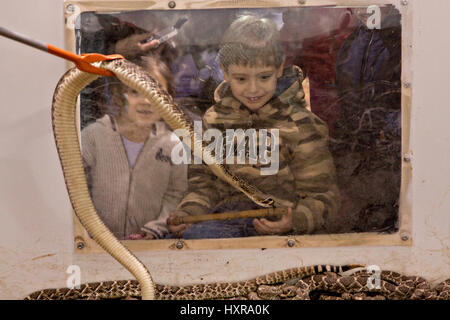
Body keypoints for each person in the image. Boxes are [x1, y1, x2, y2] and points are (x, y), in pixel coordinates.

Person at [167, 14, 340, 239]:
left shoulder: (302, 125)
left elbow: (324, 196)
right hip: (221, 226)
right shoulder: (213, 121)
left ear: (279, 68)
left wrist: (295, 220)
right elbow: (203, 185)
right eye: (241, 79)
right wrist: (189, 213)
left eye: (264, 77)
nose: (253, 89)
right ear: (224, 72)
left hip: (281, 235)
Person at [81, 54, 188, 240]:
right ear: (118, 95)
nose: (146, 100)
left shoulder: (172, 144)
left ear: (169, 100)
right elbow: (77, 189)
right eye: (135, 91)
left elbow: (176, 194)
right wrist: (90, 230)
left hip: (151, 247)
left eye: (155, 92)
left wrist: (157, 228)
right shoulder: (94, 136)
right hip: (95, 247)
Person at [331, 5, 402, 232]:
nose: (363, 8)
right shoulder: (354, 39)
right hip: (357, 143)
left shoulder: (404, 36)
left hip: (391, 147)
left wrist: (390, 128)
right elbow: (345, 90)